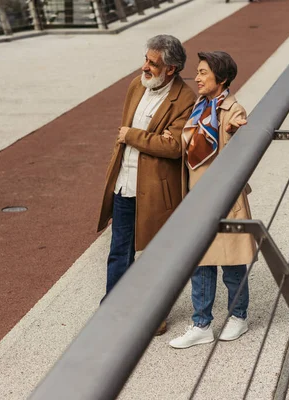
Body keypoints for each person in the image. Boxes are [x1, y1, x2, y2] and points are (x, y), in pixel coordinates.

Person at [97, 35, 196, 336]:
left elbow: (175, 146)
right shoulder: (136, 85)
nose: (145, 67)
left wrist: (131, 136)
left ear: (172, 68)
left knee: (155, 255)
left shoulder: (185, 99)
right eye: (146, 59)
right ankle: (113, 309)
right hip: (124, 182)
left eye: (153, 63)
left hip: (156, 190)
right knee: (119, 250)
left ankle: (155, 314)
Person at [168, 51, 256, 349]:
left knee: (231, 262)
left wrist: (234, 131)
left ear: (222, 78)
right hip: (198, 196)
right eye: (198, 71)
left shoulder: (233, 110)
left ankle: (238, 316)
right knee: (200, 262)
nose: (198, 77)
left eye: (204, 72)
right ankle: (201, 324)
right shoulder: (199, 107)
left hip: (224, 197)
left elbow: (240, 151)